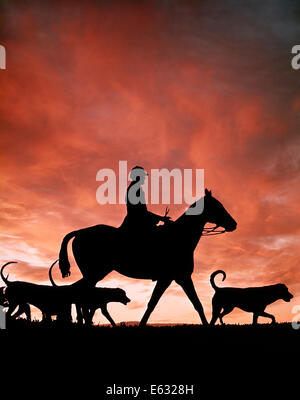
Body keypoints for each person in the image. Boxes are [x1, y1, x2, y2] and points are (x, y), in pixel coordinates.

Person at [119, 166, 171, 234]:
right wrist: (161, 218)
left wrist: (159, 218)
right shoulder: (135, 189)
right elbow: (141, 212)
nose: (144, 178)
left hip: (133, 220)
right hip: (137, 222)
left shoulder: (133, 188)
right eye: (143, 175)